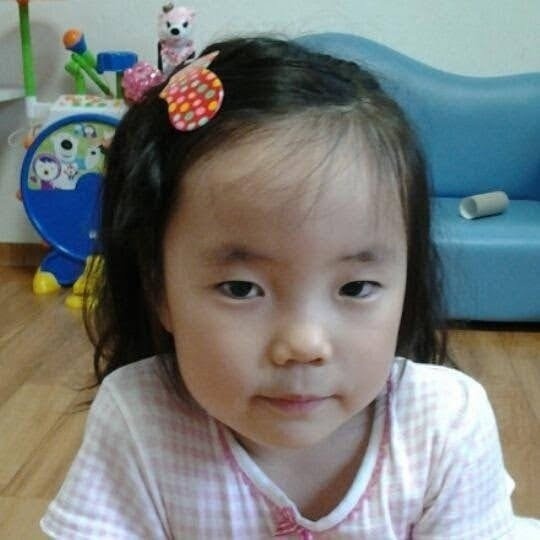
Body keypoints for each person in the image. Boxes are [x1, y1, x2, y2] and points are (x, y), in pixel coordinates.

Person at [40, 36, 515, 539]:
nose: (304, 344)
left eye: (356, 288)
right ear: (159, 290)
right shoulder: (140, 421)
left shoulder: (443, 424)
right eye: (241, 289)